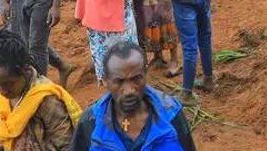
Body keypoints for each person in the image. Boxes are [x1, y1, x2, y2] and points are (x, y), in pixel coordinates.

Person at [68, 41, 196, 151]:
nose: (129, 90)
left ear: (146, 75)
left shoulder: (171, 114)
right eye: (119, 81)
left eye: (136, 79)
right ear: (106, 81)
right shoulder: (91, 122)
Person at [0, 29, 81, 151]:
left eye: (9, 84)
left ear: (24, 71)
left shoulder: (46, 100)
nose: (3, 91)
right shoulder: (1, 95)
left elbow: (66, 144)